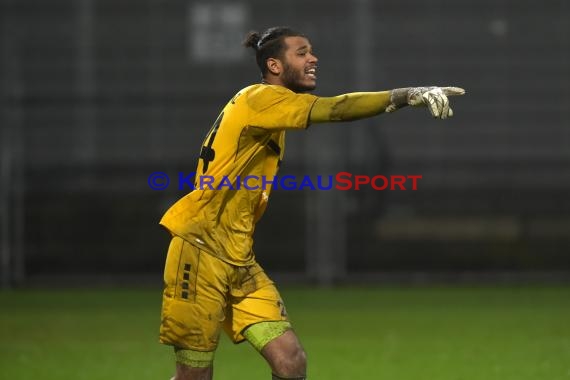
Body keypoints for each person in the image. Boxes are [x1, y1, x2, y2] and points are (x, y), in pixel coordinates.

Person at [158, 26, 465, 380]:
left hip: (238, 258)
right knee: (194, 375)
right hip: (200, 252)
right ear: (274, 64)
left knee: (291, 363)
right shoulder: (260, 98)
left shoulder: (268, 105)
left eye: (311, 51)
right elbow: (336, 108)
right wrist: (406, 94)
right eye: (301, 52)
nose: (313, 58)